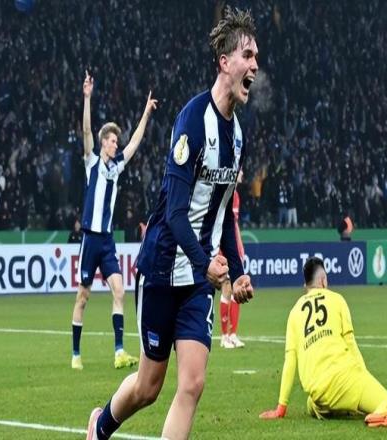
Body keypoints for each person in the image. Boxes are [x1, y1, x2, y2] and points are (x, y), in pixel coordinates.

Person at [86, 7, 256, 439]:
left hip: (198, 280)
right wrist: (207, 263)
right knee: (148, 387)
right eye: (248, 55)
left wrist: (237, 272)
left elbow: (221, 213)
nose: (255, 65)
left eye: (256, 57)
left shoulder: (237, 136)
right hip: (163, 268)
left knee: (192, 384)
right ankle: (100, 426)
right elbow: (176, 214)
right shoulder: (192, 121)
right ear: (225, 62)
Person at [71, 71, 157, 370]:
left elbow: (134, 142)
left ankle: (119, 351)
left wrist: (145, 113)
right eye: (112, 141)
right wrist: (87, 98)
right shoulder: (92, 162)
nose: (116, 145)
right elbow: (85, 130)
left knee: (119, 291)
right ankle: (75, 354)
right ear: (103, 143)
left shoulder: (117, 166)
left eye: (116, 141)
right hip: (90, 239)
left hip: (107, 241)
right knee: (83, 297)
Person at [259, 257, 387, 429]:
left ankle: (336, 408)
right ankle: (375, 416)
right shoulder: (337, 299)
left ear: (305, 284)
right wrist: (364, 376)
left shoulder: (294, 312)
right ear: (323, 280)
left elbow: (290, 361)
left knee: (310, 404)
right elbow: (350, 343)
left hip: (319, 394)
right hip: (346, 381)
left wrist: (281, 408)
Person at [220, 170, 246, 349]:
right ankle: (224, 336)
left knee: (237, 286)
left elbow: (234, 225)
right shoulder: (225, 193)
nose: (242, 173)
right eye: (240, 170)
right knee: (227, 288)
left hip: (233, 246)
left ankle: (233, 334)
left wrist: (240, 246)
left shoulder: (236, 196)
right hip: (223, 247)